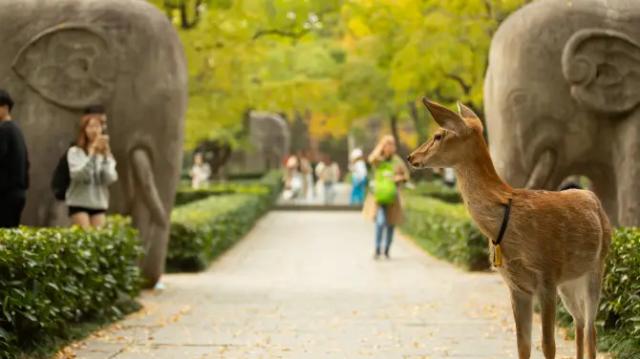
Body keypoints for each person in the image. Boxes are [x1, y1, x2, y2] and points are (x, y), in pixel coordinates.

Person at [66, 106, 118, 229]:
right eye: (91, 126)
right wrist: (93, 154)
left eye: (98, 126)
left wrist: (105, 157)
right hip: (79, 203)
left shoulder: (106, 154)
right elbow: (78, 175)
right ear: (84, 129)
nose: (94, 130)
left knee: (97, 241)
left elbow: (110, 179)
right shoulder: (75, 152)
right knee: (85, 237)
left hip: (99, 203)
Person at [363, 135, 409, 259]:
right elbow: (371, 159)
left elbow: (406, 175)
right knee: (380, 222)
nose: (390, 147)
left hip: (393, 198)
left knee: (391, 224)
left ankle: (387, 248)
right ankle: (377, 248)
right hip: (378, 196)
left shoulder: (397, 160)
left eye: (392, 144)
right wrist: (380, 149)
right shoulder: (378, 160)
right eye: (387, 144)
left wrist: (397, 178)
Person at [0, 89, 29, 228]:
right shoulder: (16, 130)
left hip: (5, 195)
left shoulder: (4, 130)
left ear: (5, 107)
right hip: (18, 193)